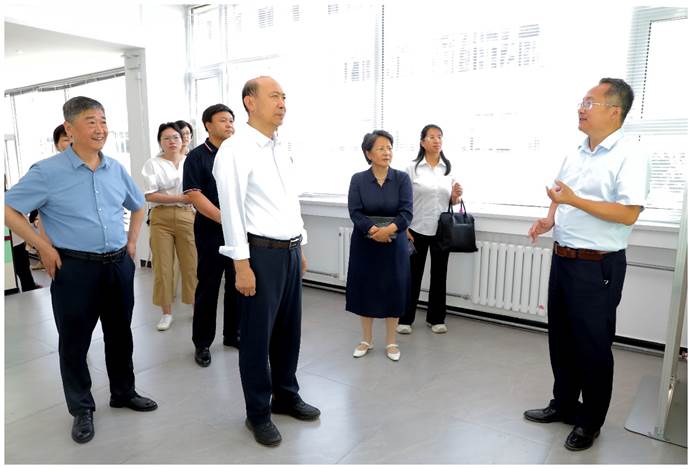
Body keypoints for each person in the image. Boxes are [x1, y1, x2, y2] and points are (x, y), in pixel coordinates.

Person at [4, 96, 157, 445]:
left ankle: (123, 392)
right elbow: (9, 208)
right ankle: (82, 408)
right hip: (74, 268)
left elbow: (137, 205)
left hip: (117, 265)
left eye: (103, 121)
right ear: (69, 129)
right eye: (91, 121)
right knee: (74, 341)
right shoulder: (47, 172)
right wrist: (43, 247)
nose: (100, 129)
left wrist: (133, 242)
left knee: (120, 334)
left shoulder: (114, 168)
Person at [523, 78, 649, 451]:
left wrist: (575, 202)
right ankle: (563, 404)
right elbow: (560, 193)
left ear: (615, 111)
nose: (581, 108)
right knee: (561, 340)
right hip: (563, 258)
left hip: (598, 267)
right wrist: (550, 218)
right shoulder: (576, 151)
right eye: (582, 101)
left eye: (590, 102)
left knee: (592, 346)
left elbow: (628, 213)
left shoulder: (630, 155)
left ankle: (590, 422)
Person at [213, 76, 320, 447]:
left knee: (289, 331)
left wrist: (300, 244)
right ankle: (258, 413)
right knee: (257, 339)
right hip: (258, 255)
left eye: (284, 97)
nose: (282, 103)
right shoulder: (235, 149)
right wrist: (241, 264)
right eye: (274, 96)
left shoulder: (279, 147)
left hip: (288, 252)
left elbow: (290, 202)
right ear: (250, 102)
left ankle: (285, 396)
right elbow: (231, 210)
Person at [346, 130, 413, 361]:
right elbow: (355, 212)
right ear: (368, 153)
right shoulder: (358, 179)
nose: (387, 152)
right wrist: (374, 231)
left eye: (389, 148)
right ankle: (366, 339)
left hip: (395, 244)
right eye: (381, 148)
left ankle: (392, 341)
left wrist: (388, 231)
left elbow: (406, 213)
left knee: (394, 288)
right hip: (366, 243)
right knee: (366, 288)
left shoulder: (402, 179)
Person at [183, 104, 240, 366]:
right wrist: (225, 220)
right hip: (210, 231)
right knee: (208, 286)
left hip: (238, 231)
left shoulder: (236, 154)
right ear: (208, 125)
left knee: (237, 283)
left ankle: (233, 334)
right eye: (223, 120)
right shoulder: (197, 157)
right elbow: (194, 195)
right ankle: (202, 343)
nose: (229, 125)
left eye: (231, 120)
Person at [397, 124, 462, 335]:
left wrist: (455, 197)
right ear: (422, 142)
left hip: (441, 230)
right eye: (432, 137)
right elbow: (402, 201)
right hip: (416, 229)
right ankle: (405, 319)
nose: (436, 140)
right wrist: (404, 227)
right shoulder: (411, 169)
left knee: (439, 275)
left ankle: (436, 319)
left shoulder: (448, 169)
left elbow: (449, 202)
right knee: (412, 276)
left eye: (439, 137)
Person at [141, 123, 197, 331]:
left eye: (176, 137)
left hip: (187, 215)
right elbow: (150, 195)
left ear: (183, 140)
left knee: (192, 265)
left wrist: (186, 201)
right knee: (163, 267)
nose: (172, 141)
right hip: (161, 218)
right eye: (166, 138)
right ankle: (166, 313)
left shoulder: (190, 161)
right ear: (160, 142)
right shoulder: (152, 164)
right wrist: (180, 198)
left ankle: (196, 307)